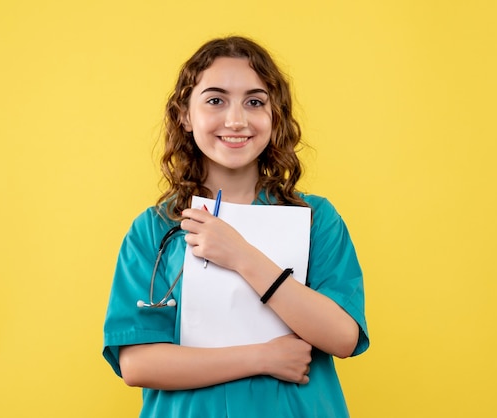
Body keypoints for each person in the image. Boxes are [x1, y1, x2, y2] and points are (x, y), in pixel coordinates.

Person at [103, 35, 369, 417]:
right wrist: (262, 357)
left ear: (274, 115)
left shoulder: (316, 218)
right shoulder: (154, 228)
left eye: (255, 102)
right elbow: (138, 364)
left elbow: (343, 337)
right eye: (215, 100)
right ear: (184, 115)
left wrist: (242, 255)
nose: (236, 120)